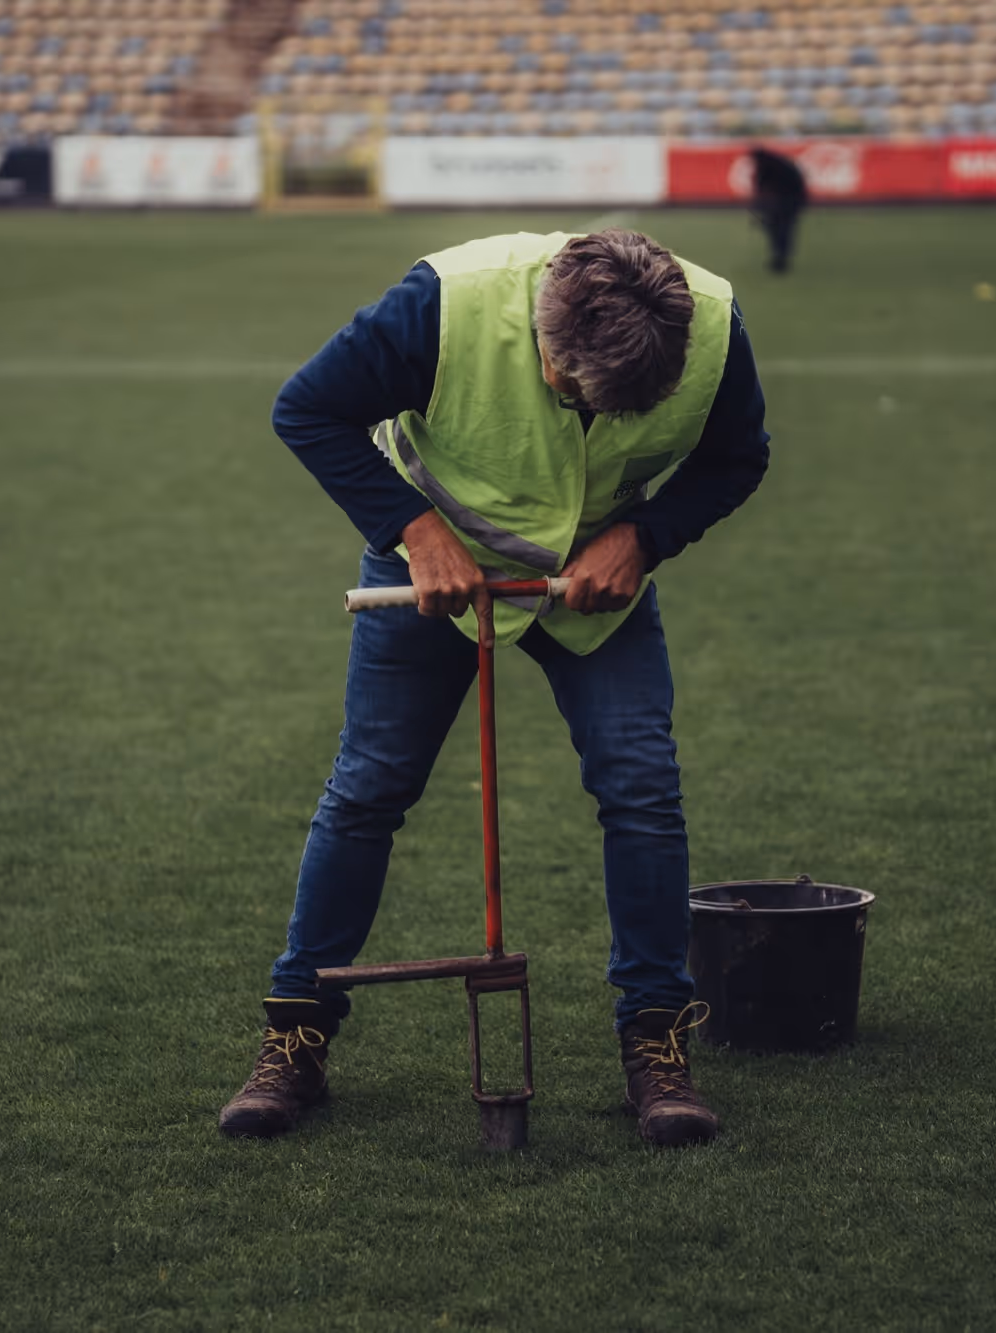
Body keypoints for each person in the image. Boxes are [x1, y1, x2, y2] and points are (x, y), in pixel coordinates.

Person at [221, 229, 770, 1147]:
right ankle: (295, 1035)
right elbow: (307, 407)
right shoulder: (443, 306)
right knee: (369, 786)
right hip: (436, 570)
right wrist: (414, 529)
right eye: (572, 390)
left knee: (641, 786)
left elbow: (736, 457)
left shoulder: (712, 328)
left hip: (594, 582)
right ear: (543, 333)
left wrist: (644, 537)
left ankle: (656, 1040)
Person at [749, 145, 809, 274]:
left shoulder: (769, 167)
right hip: (789, 203)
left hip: (786, 203)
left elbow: (761, 187)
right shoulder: (778, 164)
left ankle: (780, 258)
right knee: (782, 230)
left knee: (779, 230)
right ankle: (780, 257)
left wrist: (759, 209)